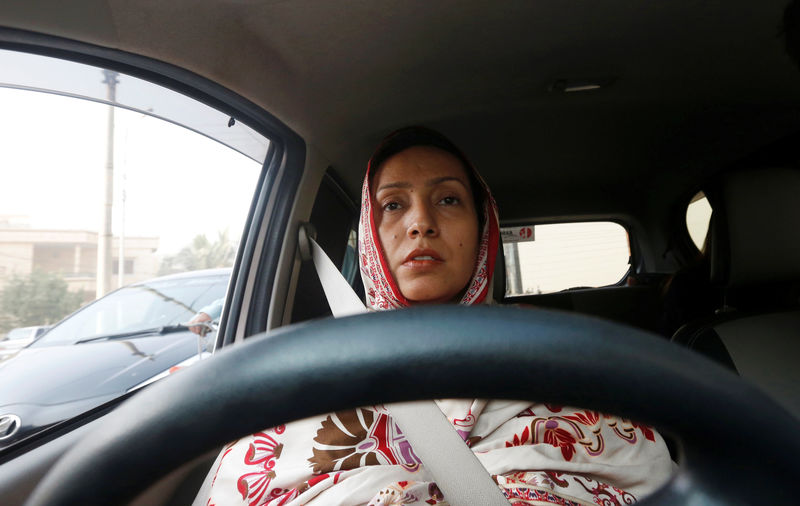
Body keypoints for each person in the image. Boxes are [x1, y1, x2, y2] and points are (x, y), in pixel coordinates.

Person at [202, 127, 673, 505]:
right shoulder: (305, 375)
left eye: (448, 199)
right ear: (370, 231)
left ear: (482, 228)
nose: (420, 222)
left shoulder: (569, 359)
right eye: (393, 205)